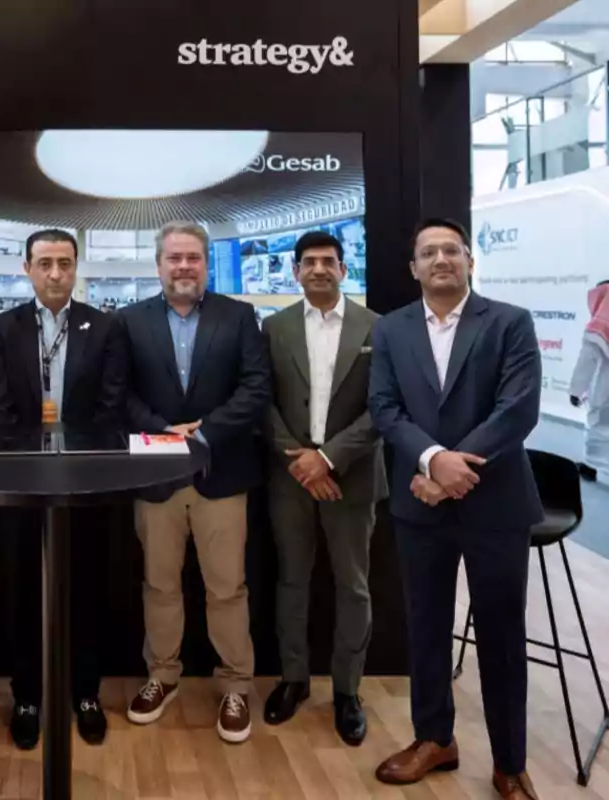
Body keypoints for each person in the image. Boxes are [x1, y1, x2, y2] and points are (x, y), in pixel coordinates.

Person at [368, 218, 542, 800]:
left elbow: (517, 411)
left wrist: (449, 471)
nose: (441, 259)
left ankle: (511, 763)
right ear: (413, 267)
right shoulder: (391, 330)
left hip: (494, 504)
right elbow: (385, 408)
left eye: (451, 250)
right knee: (425, 628)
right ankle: (434, 739)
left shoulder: (510, 323)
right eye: (428, 252)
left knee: (501, 634)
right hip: (420, 505)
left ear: (470, 260)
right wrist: (434, 461)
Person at [117, 220, 270, 743]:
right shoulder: (130, 322)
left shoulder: (240, 317)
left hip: (220, 475)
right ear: (158, 264)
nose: (184, 266)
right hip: (157, 478)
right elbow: (118, 395)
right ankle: (162, 676)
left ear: (207, 263)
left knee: (227, 589)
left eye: (193, 258)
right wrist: (163, 430)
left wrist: (205, 433)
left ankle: (234, 685)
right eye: (174, 258)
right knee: (160, 587)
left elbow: (256, 388)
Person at [0, 229, 127, 749]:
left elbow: (112, 407)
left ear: (76, 267)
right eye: (44, 263)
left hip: (83, 487)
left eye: (65, 263)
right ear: (27, 268)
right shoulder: (1, 329)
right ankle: (26, 696)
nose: (56, 273)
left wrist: (78, 463)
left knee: (87, 591)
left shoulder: (105, 328)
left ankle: (85, 693)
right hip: (22, 487)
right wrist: (28, 463)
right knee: (23, 592)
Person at [260, 231, 386, 746]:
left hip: (350, 477)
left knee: (352, 585)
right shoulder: (273, 327)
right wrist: (300, 459)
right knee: (291, 580)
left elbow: (385, 406)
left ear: (342, 268)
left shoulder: (377, 328)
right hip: (290, 476)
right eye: (308, 262)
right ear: (295, 271)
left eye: (328, 262)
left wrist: (329, 458)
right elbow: (260, 399)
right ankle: (293, 680)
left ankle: (347, 691)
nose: (318, 269)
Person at [570, 280, 609, 482]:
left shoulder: (600, 326)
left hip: (605, 385)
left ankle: (592, 465)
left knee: (598, 423)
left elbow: (588, 359)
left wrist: (576, 390)